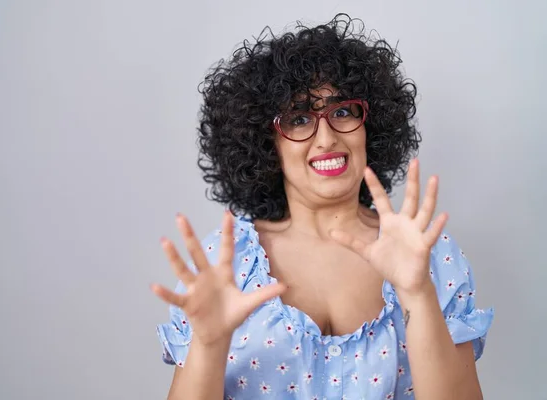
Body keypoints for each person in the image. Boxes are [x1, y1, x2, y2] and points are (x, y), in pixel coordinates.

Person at [151, 14, 494, 400]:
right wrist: (209, 345)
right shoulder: (225, 264)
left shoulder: (429, 256)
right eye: (298, 119)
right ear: (266, 144)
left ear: (370, 125)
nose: (327, 137)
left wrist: (418, 294)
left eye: (342, 111)